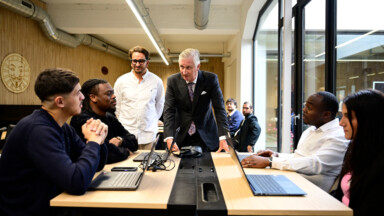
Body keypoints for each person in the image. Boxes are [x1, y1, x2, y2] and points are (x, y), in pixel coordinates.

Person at [0, 68, 108, 216]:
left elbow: (97, 165)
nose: (83, 97)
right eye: (78, 93)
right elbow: (77, 183)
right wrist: (94, 142)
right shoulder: (38, 130)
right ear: (60, 101)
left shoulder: (62, 127)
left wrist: (98, 137)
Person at [241, 91, 348, 191]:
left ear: (326, 115)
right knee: (248, 181)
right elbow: (298, 158)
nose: (304, 109)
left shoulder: (338, 136)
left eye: (309, 108)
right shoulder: (311, 130)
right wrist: (276, 155)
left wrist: (270, 162)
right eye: (305, 105)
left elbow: (315, 164)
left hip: (310, 190)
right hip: (293, 179)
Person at [163, 48, 229, 152]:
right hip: (181, 135)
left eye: (188, 68)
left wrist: (223, 137)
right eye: (181, 67)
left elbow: (219, 108)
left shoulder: (211, 79)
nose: (184, 72)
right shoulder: (173, 81)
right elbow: (168, 110)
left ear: (198, 66)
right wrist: (169, 137)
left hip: (206, 135)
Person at [333, 89, 384, 215]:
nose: (341, 123)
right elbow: (340, 194)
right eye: (342, 115)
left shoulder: (380, 164)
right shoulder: (355, 149)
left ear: (369, 120)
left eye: (349, 117)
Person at [71, 79, 138, 164]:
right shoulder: (84, 120)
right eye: (109, 93)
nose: (114, 96)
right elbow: (108, 154)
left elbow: (133, 141)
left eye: (113, 93)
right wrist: (126, 152)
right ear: (93, 97)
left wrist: (119, 140)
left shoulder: (109, 117)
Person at [114, 46, 165, 150]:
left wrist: (152, 120)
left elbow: (159, 104)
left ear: (147, 62)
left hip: (148, 134)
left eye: (141, 61)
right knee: (126, 165)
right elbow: (117, 106)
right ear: (131, 62)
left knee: (148, 165)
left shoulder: (156, 81)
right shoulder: (121, 81)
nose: (137, 64)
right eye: (134, 61)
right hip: (127, 134)